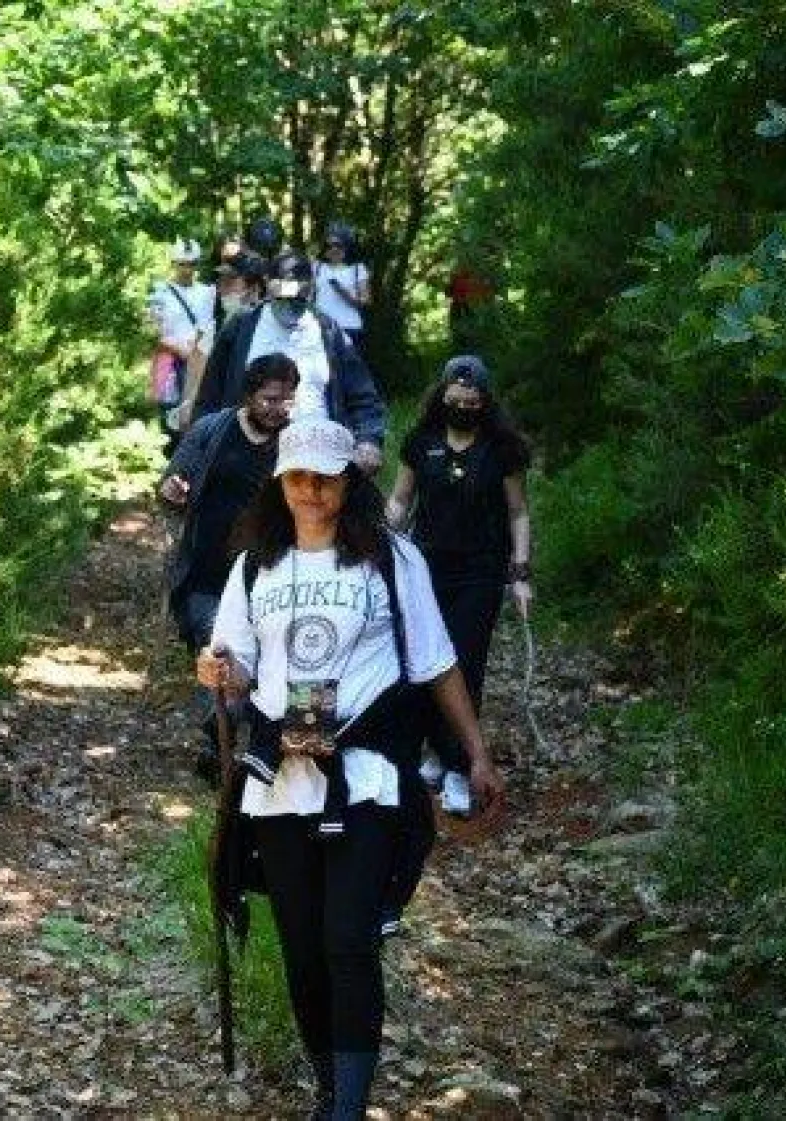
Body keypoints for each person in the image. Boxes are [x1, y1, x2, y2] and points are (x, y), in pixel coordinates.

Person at [199, 416, 505, 1120]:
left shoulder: (392, 561)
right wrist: (218, 669)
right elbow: (236, 669)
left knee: (348, 939)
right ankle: (327, 1086)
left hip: (367, 775)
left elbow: (435, 662)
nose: (311, 489)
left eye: (325, 476)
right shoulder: (255, 565)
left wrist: (477, 753)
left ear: (350, 481)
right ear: (280, 483)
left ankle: (348, 1107)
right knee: (304, 951)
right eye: (298, 476)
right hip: (280, 782)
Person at [385, 354, 532, 817]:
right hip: (425, 569)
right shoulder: (421, 443)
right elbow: (399, 501)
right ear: (442, 397)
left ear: (484, 403)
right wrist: (377, 541)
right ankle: (431, 750)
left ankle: (458, 765)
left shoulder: (501, 449)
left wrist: (521, 572)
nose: (464, 406)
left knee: (464, 663)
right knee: (422, 660)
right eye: (456, 399)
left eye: (472, 401)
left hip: (480, 571)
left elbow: (518, 512)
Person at [160, 354, 298, 779]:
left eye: (286, 401)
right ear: (249, 396)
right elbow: (173, 481)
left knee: (270, 654)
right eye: (269, 399)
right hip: (207, 570)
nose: (277, 409)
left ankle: (240, 740)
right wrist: (172, 489)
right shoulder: (212, 431)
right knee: (221, 647)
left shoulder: (295, 442)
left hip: (268, 570)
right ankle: (216, 741)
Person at [186, 250, 386, 473]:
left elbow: (364, 397)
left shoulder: (329, 332)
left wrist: (369, 440)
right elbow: (209, 396)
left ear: (311, 290)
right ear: (268, 285)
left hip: (315, 463)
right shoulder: (241, 327)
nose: (289, 306)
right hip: (247, 459)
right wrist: (197, 454)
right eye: (282, 297)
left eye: (297, 299)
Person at [147, 238, 217, 445]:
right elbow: (152, 330)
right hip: (168, 359)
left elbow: (208, 326)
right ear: (174, 264)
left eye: (192, 264)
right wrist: (177, 347)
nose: (187, 269)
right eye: (182, 264)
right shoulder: (160, 292)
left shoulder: (207, 292)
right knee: (167, 414)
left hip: (197, 360)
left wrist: (195, 351)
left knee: (194, 411)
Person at [313, 225, 370, 352]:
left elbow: (365, 300)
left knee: (346, 369)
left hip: (349, 328)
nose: (333, 249)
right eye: (329, 246)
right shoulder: (317, 267)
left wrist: (344, 293)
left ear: (346, 247)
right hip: (320, 327)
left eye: (338, 245)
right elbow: (303, 290)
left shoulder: (357, 269)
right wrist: (277, 289)